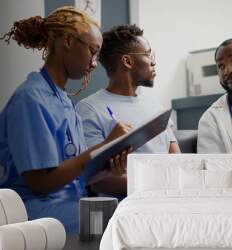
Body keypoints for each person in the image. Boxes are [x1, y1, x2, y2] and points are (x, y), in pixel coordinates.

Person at [0, 6, 132, 234]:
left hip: (71, 203)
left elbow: (77, 173)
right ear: (67, 41)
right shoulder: (30, 99)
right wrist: (105, 144)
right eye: (92, 52)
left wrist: (108, 167)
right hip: (36, 209)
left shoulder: (66, 103)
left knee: (134, 212)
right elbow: (40, 184)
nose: (94, 63)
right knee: (123, 223)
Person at [76, 24, 180, 197]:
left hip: (168, 200)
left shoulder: (156, 106)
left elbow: (177, 159)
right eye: (148, 54)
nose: (154, 62)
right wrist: (162, 186)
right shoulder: (89, 109)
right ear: (127, 61)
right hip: (127, 210)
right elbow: (98, 181)